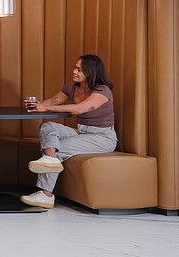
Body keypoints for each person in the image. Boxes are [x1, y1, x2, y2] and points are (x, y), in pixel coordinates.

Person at [20, 54, 117, 209]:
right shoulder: (73, 87)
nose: (74, 72)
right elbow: (53, 101)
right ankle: (50, 161)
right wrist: (36, 106)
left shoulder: (102, 91)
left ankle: (46, 195)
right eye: (75, 67)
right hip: (82, 132)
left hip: (102, 137)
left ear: (91, 72)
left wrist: (46, 108)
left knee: (55, 150)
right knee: (48, 126)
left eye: (79, 69)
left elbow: (80, 109)